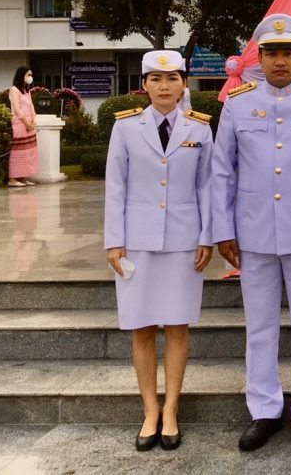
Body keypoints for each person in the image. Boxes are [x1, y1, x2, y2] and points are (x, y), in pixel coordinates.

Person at [212, 14, 291, 453]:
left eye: (288, 53)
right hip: (253, 234)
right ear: (260, 58)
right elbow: (222, 172)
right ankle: (264, 408)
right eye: (272, 53)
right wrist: (223, 229)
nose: (281, 61)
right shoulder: (237, 104)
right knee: (260, 326)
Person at [103, 50, 214, 452]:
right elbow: (115, 185)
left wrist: (207, 236)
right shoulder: (126, 128)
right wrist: (113, 240)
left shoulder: (200, 128)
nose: (164, 87)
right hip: (137, 241)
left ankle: (171, 409)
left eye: (172, 79)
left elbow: (207, 186)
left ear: (183, 84)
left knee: (178, 327)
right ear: (144, 85)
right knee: (142, 327)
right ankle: (150, 409)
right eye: (156, 79)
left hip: (184, 241)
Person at [7, 66, 38, 186]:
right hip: (20, 123)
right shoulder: (14, 90)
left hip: (29, 123)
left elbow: (31, 106)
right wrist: (26, 123)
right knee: (18, 150)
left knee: (28, 150)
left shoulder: (27, 91)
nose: (30, 77)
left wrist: (34, 120)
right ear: (21, 75)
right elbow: (17, 108)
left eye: (31, 75)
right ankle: (12, 179)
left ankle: (23, 177)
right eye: (28, 75)